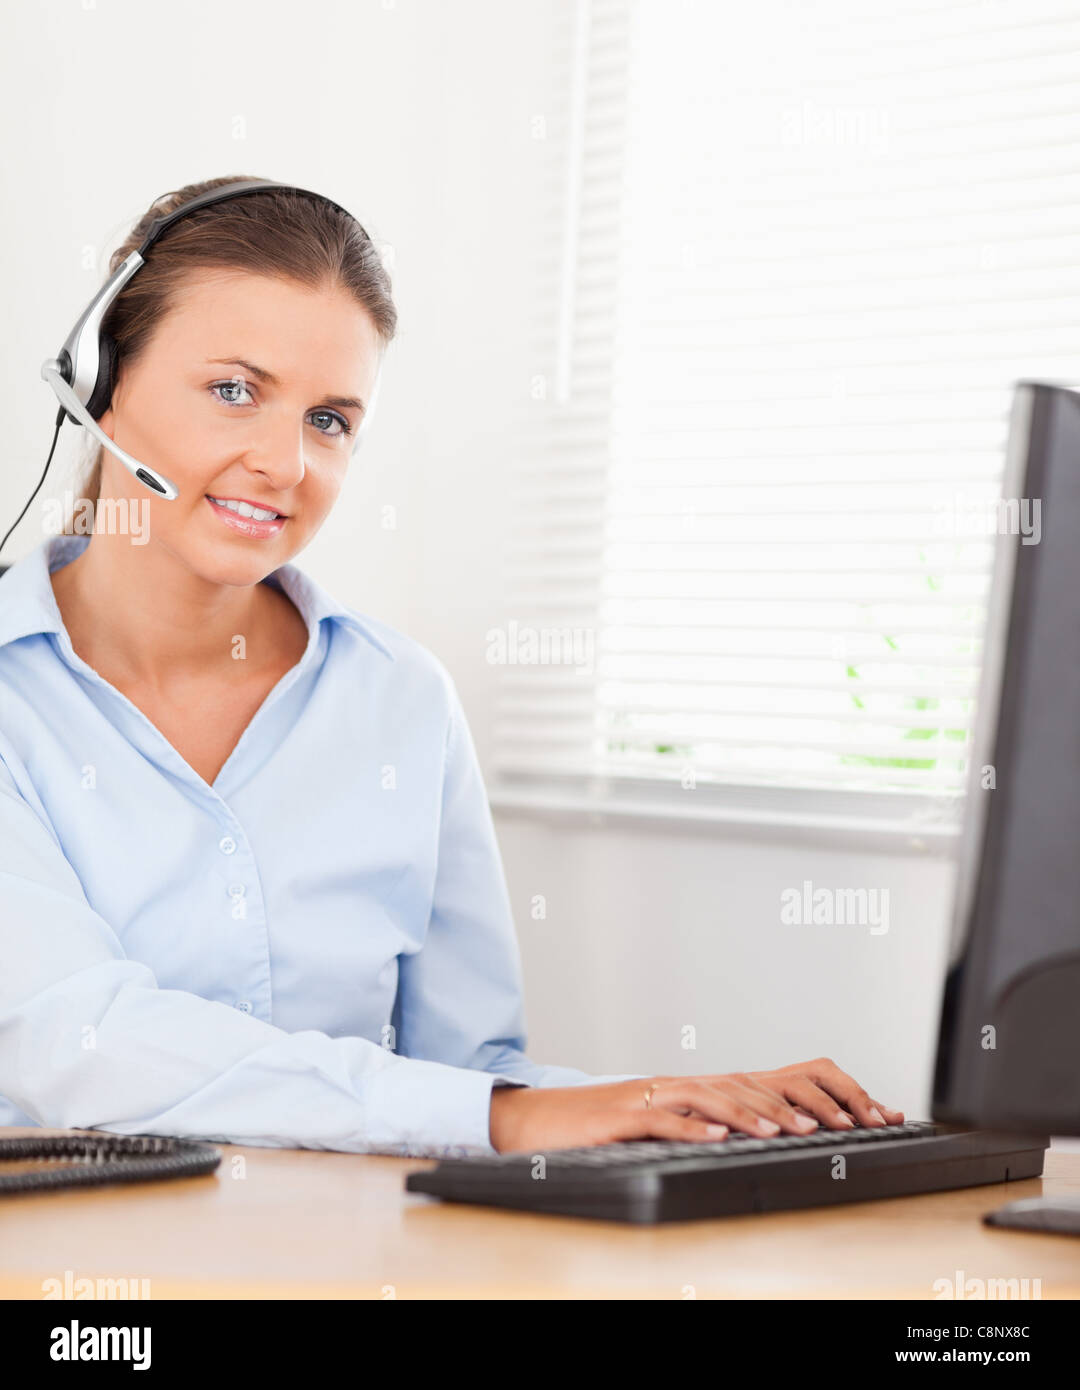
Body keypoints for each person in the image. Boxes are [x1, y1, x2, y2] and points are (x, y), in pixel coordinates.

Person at [0, 176, 902, 1158]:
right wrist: (501, 1114)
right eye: (234, 391)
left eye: (330, 419)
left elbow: (464, 1072)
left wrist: (688, 1107)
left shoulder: (399, 699)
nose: (284, 461)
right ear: (98, 379)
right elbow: (74, 1043)